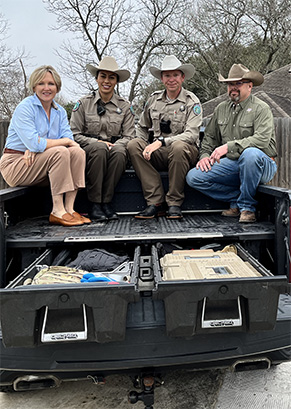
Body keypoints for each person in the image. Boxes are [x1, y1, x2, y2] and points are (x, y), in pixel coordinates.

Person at [186, 64, 277, 223]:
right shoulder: (221, 109)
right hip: (233, 164)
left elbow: (262, 139)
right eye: (230, 84)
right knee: (194, 177)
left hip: (263, 163)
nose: (233, 88)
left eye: (238, 84)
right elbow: (209, 138)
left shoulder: (262, 108)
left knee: (250, 154)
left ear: (250, 86)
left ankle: (247, 208)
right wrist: (205, 156)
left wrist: (228, 146)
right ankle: (238, 198)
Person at [0, 65, 90, 227]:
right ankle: (57, 210)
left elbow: (69, 140)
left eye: (51, 84)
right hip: (16, 164)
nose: (46, 88)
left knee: (77, 152)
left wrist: (39, 147)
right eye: (41, 84)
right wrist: (38, 146)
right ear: (34, 86)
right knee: (61, 151)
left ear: (57, 87)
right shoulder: (25, 108)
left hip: (40, 163)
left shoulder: (60, 111)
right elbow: (36, 142)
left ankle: (69, 209)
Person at [127, 55, 202, 219]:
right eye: (167, 75)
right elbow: (142, 126)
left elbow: (191, 135)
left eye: (175, 75)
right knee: (133, 145)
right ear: (162, 78)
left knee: (178, 147)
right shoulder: (153, 99)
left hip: (184, 153)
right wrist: (143, 144)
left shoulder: (191, 101)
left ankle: (174, 202)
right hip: (160, 153)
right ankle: (155, 201)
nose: (171, 79)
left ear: (182, 77)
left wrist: (162, 142)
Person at [70, 56, 135, 221]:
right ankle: (95, 204)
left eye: (111, 77)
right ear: (97, 78)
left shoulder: (125, 106)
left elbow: (129, 135)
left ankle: (106, 202)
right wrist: (97, 143)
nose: (107, 81)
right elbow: (74, 134)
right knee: (99, 149)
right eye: (103, 76)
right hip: (90, 149)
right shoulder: (83, 104)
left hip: (114, 149)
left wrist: (114, 146)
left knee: (120, 152)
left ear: (116, 81)